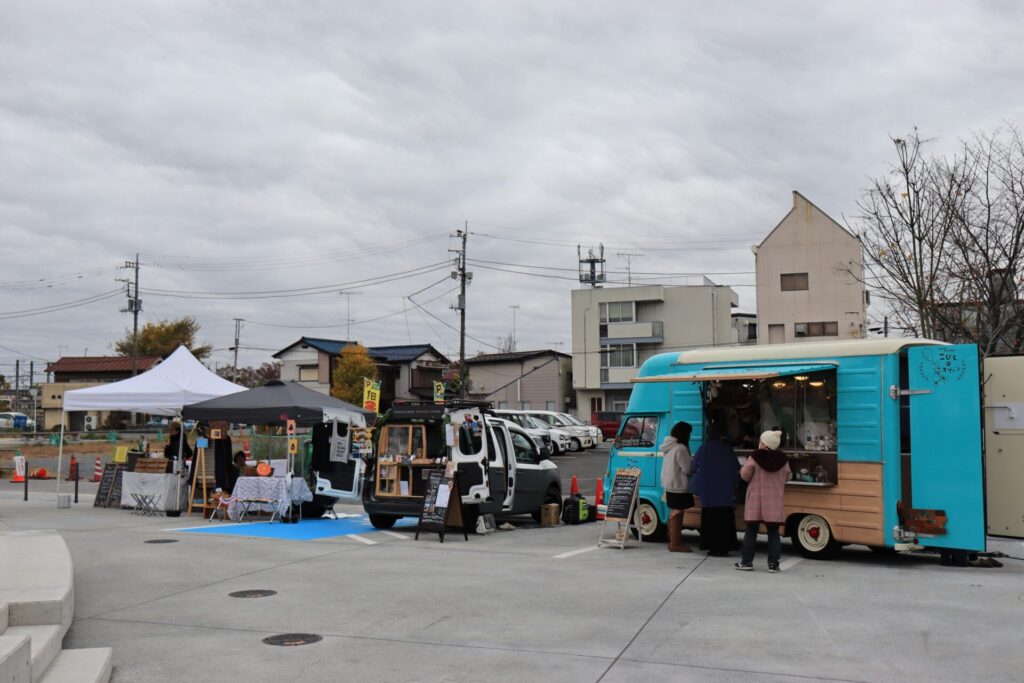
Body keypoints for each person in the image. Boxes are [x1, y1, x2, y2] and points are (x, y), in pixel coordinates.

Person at [735, 430, 792, 573]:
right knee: (773, 532)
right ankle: (774, 564)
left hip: (756, 500)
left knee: (751, 531)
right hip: (774, 501)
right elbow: (788, 476)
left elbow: (744, 475)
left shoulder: (755, 457)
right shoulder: (783, 459)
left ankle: (747, 562)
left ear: (764, 443)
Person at [690, 422, 741, 556]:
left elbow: (694, 466)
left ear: (708, 435)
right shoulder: (728, 449)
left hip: (708, 492)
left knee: (710, 521)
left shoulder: (703, 448)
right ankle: (725, 548)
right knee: (724, 521)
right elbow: (736, 468)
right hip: (725, 492)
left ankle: (712, 547)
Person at [660, 420, 694, 552]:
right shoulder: (681, 448)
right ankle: (675, 543)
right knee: (678, 512)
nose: (690, 436)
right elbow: (687, 469)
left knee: (673, 512)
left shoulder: (669, 446)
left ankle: (673, 540)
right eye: (689, 433)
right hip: (678, 485)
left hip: (669, 484)